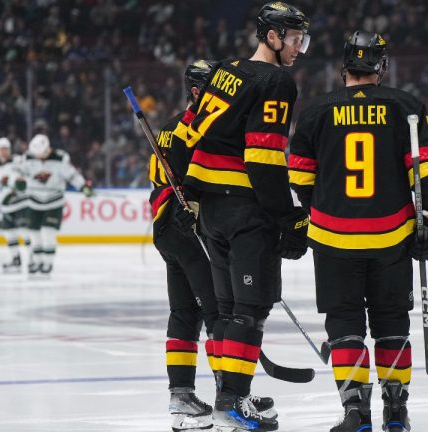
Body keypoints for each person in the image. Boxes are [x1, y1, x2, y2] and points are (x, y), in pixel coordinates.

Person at [289, 31, 428, 432]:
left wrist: (317, 214)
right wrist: (427, 219)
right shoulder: (405, 107)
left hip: (333, 238)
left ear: (344, 69)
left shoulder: (315, 112)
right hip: (390, 237)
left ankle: (355, 411)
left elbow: (300, 179)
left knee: (344, 325)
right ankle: (396, 411)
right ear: (382, 67)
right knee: (392, 322)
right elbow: (426, 170)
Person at [181, 3, 310, 431]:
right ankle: (233, 402)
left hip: (211, 211)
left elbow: (191, 134)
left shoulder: (222, 71)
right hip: (244, 210)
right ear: (272, 36)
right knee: (249, 310)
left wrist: (192, 195)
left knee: (229, 308)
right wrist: (286, 216)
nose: (298, 48)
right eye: (294, 39)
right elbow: (264, 158)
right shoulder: (275, 80)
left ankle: (229, 392)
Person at [153, 60, 276, 431]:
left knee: (183, 312)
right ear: (196, 91)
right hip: (190, 229)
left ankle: (182, 397)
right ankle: (230, 396)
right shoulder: (199, 129)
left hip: (165, 227)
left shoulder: (169, 128)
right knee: (219, 313)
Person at [17, 133, 94, 275]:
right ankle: (37, 260)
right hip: (33, 200)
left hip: (54, 201)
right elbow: (19, 173)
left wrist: (83, 186)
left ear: (48, 149)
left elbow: (72, 175)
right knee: (33, 233)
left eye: (42, 154)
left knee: (48, 232)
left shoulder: (61, 158)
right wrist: (18, 181)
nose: (39, 157)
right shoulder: (27, 157)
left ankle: (48, 263)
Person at [0, 137, 30, 271]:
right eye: (0, 150)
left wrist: (17, 188)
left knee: (26, 233)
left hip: (21, 204)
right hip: (6, 206)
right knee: (9, 233)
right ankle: (16, 259)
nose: (3, 152)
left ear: (9, 150)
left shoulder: (18, 161)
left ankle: (34, 259)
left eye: (5, 149)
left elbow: (24, 178)